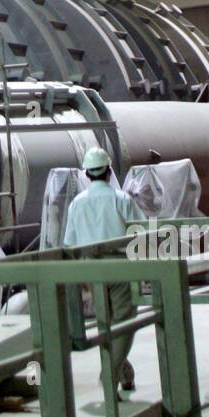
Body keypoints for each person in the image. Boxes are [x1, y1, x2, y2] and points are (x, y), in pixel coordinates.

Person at [62, 146, 144, 398]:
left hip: (92, 270)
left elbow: (69, 244)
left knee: (106, 326)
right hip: (121, 268)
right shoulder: (122, 199)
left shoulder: (76, 203)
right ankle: (109, 376)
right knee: (125, 324)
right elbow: (141, 235)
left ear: (87, 175)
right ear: (109, 172)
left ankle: (125, 374)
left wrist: (82, 276)